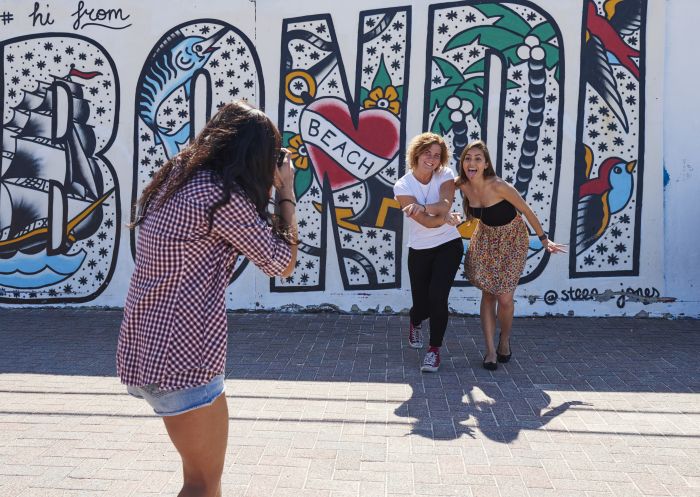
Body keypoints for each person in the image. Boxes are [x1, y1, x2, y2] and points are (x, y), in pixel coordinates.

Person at [117, 101, 297, 497]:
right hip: (184, 361)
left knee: (199, 481)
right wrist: (287, 193)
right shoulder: (221, 197)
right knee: (202, 485)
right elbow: (281, 262)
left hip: (149, 347)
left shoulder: (179, 176)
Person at [456, 140, 566, 371]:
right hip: (485, 238)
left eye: (478, 158)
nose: (472, 162)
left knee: (505, 298)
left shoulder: (498, 186)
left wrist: (545, 239)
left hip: (513, 239)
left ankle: (504, 339)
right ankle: (489, 351)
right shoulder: (462, 185)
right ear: (462, 162)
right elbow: (437, 188)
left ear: (486, 164)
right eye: (468, 158)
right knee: (488, 294)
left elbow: (526, 210)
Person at [394, 132, 463, 373]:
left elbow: (444, 204)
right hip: (420, 248)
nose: (432, 159)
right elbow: (426, 222)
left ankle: (434, 351)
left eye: (437, 155)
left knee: (438, 297)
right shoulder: (402, 185)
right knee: (421, 305)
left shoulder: (445, 174)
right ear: (416, 153)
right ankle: (415, 321)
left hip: (449, 245)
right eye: (427, 153)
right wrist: (444, 218)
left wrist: (427, 208)